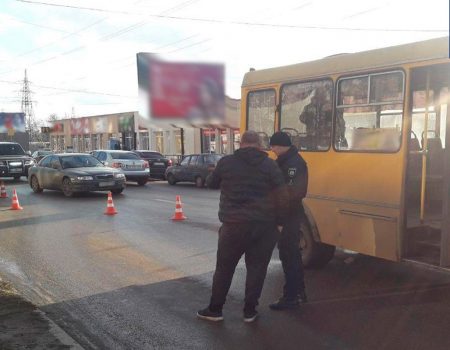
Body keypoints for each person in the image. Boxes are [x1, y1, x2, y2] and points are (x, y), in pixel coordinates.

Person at [197, 130, 288, 323]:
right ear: (259, 144)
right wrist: (279, 223)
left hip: (234, 225)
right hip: (264, 227)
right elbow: (282, 196)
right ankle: (249, 311)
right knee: (256, 269)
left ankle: (215, 310)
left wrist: (215, 173)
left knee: (224, 268)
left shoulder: (226, 162)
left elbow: (211, 184)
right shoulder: (270, 165)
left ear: (241, 143)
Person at [268, 131, 308, 310]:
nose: (272, 150)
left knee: (289, 256)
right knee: (291, 255)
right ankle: (298, 292)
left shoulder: (293, 164)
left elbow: (290, 195)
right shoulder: (286, 161)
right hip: (289, 216)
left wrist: (280, 221)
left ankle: (291, 296)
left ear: (280, 145)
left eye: (273, 146)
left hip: (288, 216)